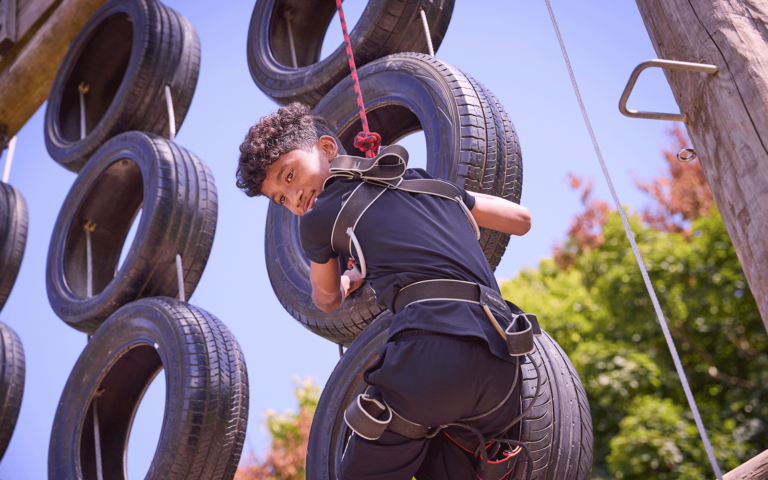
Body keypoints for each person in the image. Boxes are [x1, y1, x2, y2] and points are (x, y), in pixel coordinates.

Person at [237, 103, 533, 480]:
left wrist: (349, 279)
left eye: (290, 175)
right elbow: (521, 221)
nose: (293, 197)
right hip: (503, 367)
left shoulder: (317, 218)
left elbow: (325, 299)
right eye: (280, 198)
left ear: (327, 149)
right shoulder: (426, 182)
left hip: (429, 360)